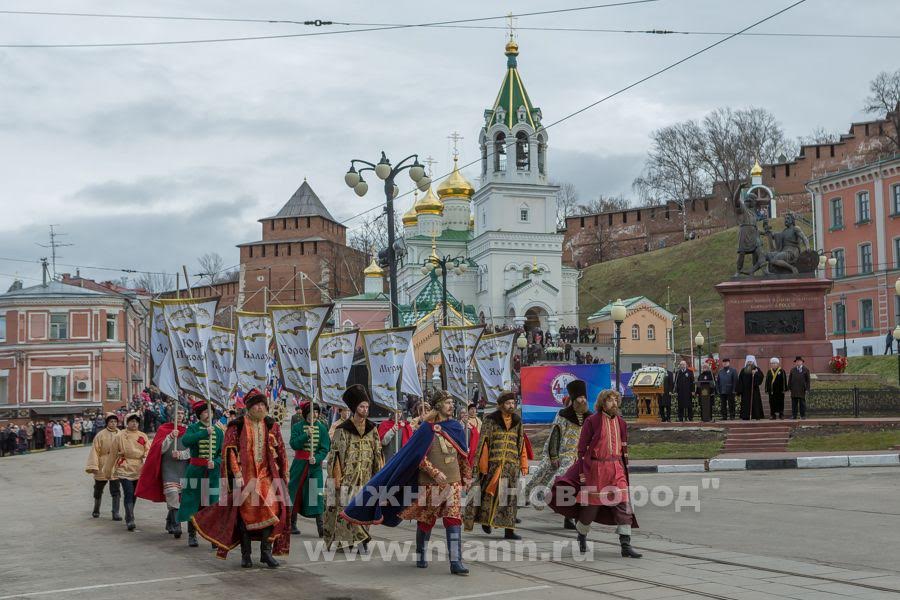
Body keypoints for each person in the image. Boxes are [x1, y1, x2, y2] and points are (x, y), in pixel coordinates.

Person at [342, 390, 472, 576]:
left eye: (452, 402)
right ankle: (421, 553)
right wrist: (434, 472)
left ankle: (456, 561)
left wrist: (466, 475)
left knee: (454, 519)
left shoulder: (456, 427)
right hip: (430, 484)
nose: (451, 406)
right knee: (426, 520)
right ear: (438, 406)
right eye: (447, 402)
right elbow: (417, 457)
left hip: (453, 484)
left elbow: (462, 455)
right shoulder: (425, 429)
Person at [192, 389, 290, 568]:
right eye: (256, 405)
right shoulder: (237, 425)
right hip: (245, 479)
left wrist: (284, 473)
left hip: (267, 478)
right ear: (249, 408)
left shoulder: (271, 425)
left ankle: (266, 553)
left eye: (263, 405)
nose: (260, 408)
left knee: (273, 511)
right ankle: (246, 555)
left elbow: (281, 451)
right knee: (246, 516)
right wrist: (236, 474)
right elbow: (230, 451)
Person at [548, 389, 641, 558]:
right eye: (610, 400)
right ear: (602, 403)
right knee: (591, 508)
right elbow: (582, 450)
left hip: (616, 468)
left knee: (624, 505)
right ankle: (582, 535)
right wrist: (583, 474)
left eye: (615, 400)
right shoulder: (592, 421)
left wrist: (623, 466)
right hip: (597, 470)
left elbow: (623, 448)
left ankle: (625, 545)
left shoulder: (621, 422)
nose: (614, 403)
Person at [525, 380, 592, 529]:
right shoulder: (563, 415)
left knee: (577, 490)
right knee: (556, 481)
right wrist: (554, 456)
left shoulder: (589, 416)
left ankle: (571, 518)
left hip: (581, 459)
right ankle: (538, 496)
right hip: (564, 456)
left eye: (584, 397)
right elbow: (555, 434)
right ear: (574, 399)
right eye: (579, 398)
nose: (583, 400)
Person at [323, 385, 383, 552]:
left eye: (367, 406)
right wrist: (336, 478)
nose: (365, 409)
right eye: (362, 406)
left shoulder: (372, 429)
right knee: (347, 509)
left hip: (367, 478)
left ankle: (362, 541)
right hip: (347, 479)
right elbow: (335, 456)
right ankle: (348, 542)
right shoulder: (342, 430)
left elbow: (377, 453)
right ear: (354, 408)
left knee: (366, 507)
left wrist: (380, 476)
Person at [463, 390, 528, 541]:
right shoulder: (490, 420)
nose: (511, 406)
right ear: (500, 405)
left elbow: (521, 443)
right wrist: (481, 465)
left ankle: (509, 530)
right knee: (488, 494)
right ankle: (485, 521)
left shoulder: (517, 420)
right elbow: (483, 442)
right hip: (493, 465)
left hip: (511, 466)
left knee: (510, 497)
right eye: (508, 403)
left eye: (513, 403)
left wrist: (523, 464)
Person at [136, 407, 188, 538]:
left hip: (183, 468)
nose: (180, 415)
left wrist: (181, 455)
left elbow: (192, 450)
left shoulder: (187, 431)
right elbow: (159, 449)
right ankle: (177, 525)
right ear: (172, 415)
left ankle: (169, 521)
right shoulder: (164, 429)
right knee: (173, 494)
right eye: (177, 413)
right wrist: (170, 437)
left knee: (180, 498)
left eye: (182, 413)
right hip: (168, 468)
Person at [179, 400, 223, 547]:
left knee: (210, 504)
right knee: (193, 503)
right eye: (205, 412)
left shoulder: (218, 431)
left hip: (211, 472)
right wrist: (204, 432)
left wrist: (216, 462)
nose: (208, 414)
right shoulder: (193, 428)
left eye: (210, 411)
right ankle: (192, 534)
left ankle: (212, 536)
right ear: (199, 414)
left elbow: (222, 453)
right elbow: (186, 441)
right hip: (195, 471)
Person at [288, 401, 331, 538]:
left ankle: (321, 526)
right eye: (312, 412)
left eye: (317, 412)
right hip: (299, 465)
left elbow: (325, 448)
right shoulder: (297, 426)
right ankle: (291, 523)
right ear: (306, 413)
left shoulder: (322, 428)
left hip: (314, 466)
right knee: (295, 493)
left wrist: (317, 458)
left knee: (315, 494)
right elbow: (293, 444)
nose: (314, 415)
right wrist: (306, 435)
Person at [103, 413, 149, 531]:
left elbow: (148, 451)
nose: (134, 423)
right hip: (124, 467)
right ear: (126, 422)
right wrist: (108, 471)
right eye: (132, 421)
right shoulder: (120, 436)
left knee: (134, 494)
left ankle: (130, 514)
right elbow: (112, 455)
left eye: (136, 421)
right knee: (128, 492)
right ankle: (130, 519)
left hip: (138, 468)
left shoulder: (142, 436)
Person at [85, 413, 122, 520]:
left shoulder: (121, 434)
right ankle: (96, 508)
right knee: (98, 489)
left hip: (115, 464)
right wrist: (94, 466)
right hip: (103, 464)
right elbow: (95, 451)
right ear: (107, 423)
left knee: (116, 490)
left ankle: (115, 512)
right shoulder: (100, 435)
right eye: (111, 421)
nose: (113, 423)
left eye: (115, 421)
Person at [737, 355, 764, 420]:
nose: (750, 363)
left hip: (754, 390)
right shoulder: (743, 370)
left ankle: (756, 415)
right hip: (745, 391)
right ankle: (746, 416)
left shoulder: (757, 369)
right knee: (746, 403)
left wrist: (756, 374)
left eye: (751, 362)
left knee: (755, 402)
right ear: (746, 362)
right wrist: (739, 391)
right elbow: (740, 381)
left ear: (753, 362)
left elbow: (761, 377)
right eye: (748, 361)